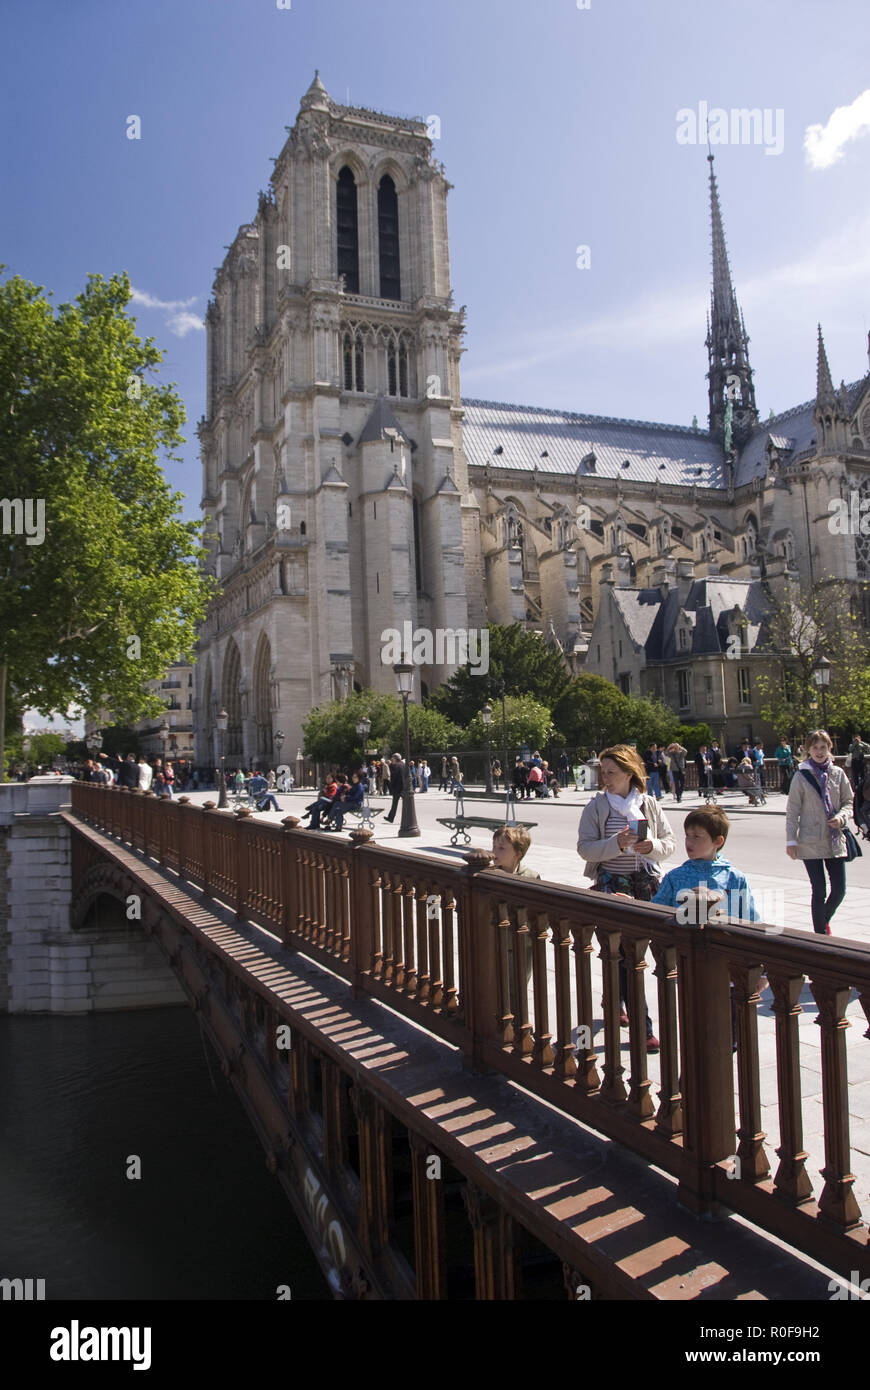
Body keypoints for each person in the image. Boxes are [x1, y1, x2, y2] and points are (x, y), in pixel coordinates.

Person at [577, 743, 676, 1052]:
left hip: (645, 883)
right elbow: (585, 848)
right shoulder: (597, 807)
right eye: (602, 772)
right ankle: (643, 1026)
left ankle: (614, 998)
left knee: (630, 954)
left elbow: (670, 842)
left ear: (630, 773)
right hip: (611, 884)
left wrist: (654, 848)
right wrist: (616, 844)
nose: (605, 778)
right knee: (625, 955)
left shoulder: (648, 804)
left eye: (612, 772)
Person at [786, 730, 853, 935]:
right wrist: (791, 841)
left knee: (839, 890)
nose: (819, 751)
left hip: (834, 839)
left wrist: (841, 817)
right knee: (819, 890)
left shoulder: (837, 773)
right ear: (808, 750)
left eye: (823, 747)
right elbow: (793, 810)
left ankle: (823, 920)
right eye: (815, 747)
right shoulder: (801, 775)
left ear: (829, 748)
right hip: (809, 839)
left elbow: (848, 801)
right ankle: (820, 935)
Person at [652, 805, 760, 924]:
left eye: (696, 836)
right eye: (687, 835)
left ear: (718, 841)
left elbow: (750, 918)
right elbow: (656, 912)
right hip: (682, 940)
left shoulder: (734, 878)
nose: (689, 841)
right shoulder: (674, 877)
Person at [384, 754, 405, 823]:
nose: (392, 760)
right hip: (404, 787)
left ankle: (391, 818)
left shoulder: (396, 765)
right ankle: (406, 818)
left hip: (397, 787)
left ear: (395, 759)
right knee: (406, 804)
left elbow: (394, 777)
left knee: (394, 804)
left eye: (392, 759)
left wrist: (391, 786)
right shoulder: (404, 765)